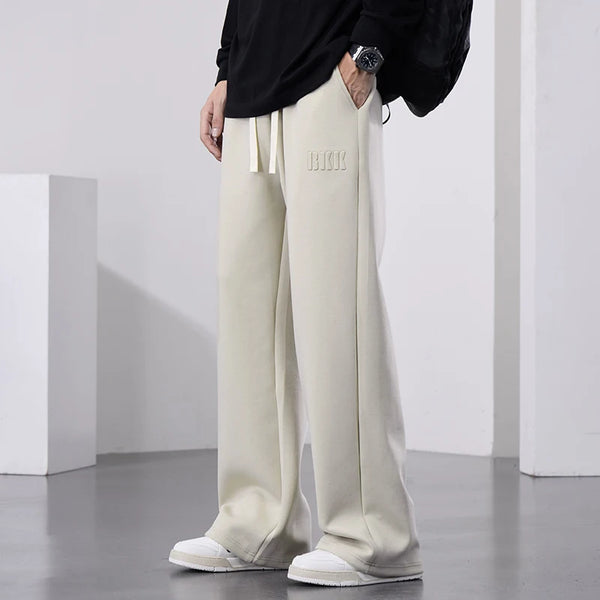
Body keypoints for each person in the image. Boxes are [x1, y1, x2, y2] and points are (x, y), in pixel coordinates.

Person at [169, 0, 425, 587]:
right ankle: (257, 522)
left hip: (330, 72)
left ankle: (374, 535)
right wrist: (227, 69)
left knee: (338, 308)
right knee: (249, 312)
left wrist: (368, 50)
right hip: (252, 87)